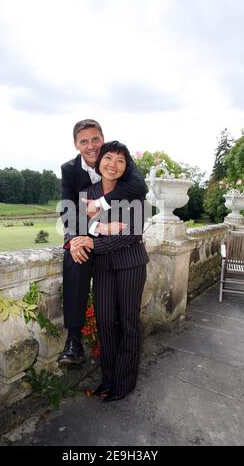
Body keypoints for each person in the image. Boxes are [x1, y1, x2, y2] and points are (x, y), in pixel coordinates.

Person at [59, 120, 146, 364]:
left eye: (95, 139)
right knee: (75, 255)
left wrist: (102, 203)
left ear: (102, 138)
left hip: (119, 237)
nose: (91, 145)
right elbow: (68, 211)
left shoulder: (115, 158)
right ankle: (74, 339)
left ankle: (120, 364)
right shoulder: (69, 169)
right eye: (83, 141)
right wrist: (89, 231)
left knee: (121, 314)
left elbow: (140, 186)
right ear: (76, 144)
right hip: (85, 227)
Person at [72, 141, 148, 402]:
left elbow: (132, 233)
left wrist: (96, 238)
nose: (113, 164)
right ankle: (108, 378)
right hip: (102, 266)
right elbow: (83, 227)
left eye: (120, 160)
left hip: (131, 263)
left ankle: (124, 383)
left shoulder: (133, 192)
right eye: (108, 158)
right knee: (105, 323)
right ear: (99, 160)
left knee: (127, 323)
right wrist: (104, 229)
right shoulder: (87, 192)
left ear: (127, 166)